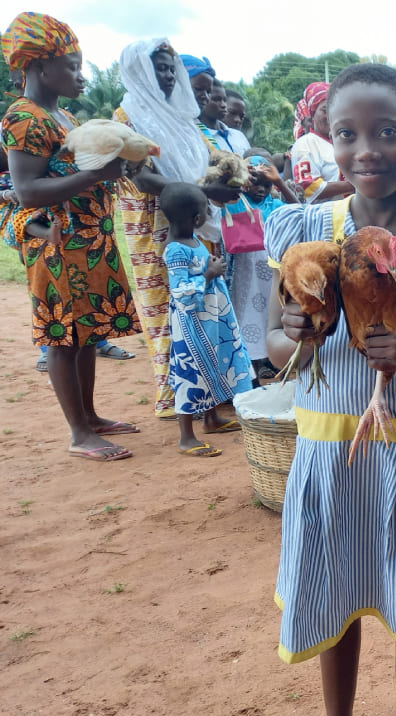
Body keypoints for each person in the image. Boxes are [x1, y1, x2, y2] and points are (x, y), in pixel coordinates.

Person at [264, 63, 396, 716]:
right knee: (331, 595)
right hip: (326, 456)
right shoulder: (306, 232)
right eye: (348, 133)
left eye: (387, 132)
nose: (367, 149)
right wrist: (295, 332)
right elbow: (274, 349)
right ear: (329, 138)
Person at [2, 11, 142, 461]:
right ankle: (79, 433)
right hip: (56, 244)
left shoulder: (61, 115)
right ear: (39, 67)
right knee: (63, 335)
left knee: (86, 332)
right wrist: (96, 173)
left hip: (89, 241)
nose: (81, 75)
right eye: (72, 66)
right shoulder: (24, 118)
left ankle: (91, 417)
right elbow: (27, 192)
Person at [113, 38, 237, 419]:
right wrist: (202, 192)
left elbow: (207, 160)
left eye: (170, 68)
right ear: (138, 72)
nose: (167, 75)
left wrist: (231, 178)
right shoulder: (126, 118)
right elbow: (144, 179)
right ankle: (177, 398)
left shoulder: (182, 117)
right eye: (159, 68)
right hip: (156, 228)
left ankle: (210, 390)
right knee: (170, 306)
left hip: (197, 222)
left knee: (205, 302)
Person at [161, 182, 252, 456]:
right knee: (191, 374)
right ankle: (186, 437)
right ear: (197, 218)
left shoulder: (194, 240)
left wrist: (211, 267)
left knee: (213, 365)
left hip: (211, 320)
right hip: (191, 327)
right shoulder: (175, 250)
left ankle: (212, 419)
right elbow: (182, 294)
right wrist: (209, 274)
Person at [225, 151, 296, 381]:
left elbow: (298, 211)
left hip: (272, 274)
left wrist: (280, 183)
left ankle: (269, 360)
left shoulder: (275, 204)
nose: (261, 190)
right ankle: (251, 366)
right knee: (247, 316)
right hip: (245, 275)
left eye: (267, 185)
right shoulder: (234, 203)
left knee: (271, 314)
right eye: (255, 183)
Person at [290, 81, 353, 203]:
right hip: (324, 218)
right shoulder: (305, 144)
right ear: (313, 113)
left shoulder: (346, 140)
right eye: (325, 110)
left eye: (335, 110)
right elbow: (307, 188)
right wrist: (354, 185)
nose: (330, 116)